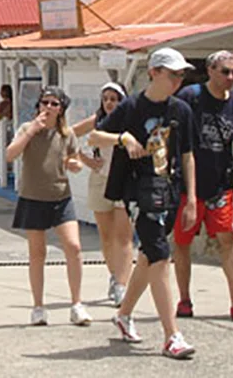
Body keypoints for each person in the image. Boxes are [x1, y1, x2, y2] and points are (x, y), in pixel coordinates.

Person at [89, 48, 199, 360]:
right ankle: (171, 335)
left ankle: (123, 315)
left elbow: (188, 155)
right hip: (138, 190)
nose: (178, 80)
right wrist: (123, 138)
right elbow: (96, 136)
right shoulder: (132, 107)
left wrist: (191, 197)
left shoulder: (182, 111)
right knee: (161, 257)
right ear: (154, 72)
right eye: (172, 74)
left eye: (181, 75)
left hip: (169, 188)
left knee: (150, 256)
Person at [171, 51, 233, 321]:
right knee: (182, 241)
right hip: (187, 185)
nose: (230, 77)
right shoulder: (190, 97)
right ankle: (184, 299)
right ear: (210, 70)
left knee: (228, 239)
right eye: (225, 72)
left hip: (221, 183)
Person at [5, 86, 91, 327]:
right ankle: (38, 307)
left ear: (61, 109)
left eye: (54, 104)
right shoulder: (27, 129)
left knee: (73, 247)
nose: (49, 107)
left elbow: (73, 158)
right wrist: (31, 130)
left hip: (61, 197)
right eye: (45, 102)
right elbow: (10, 155)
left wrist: (75, 165)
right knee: (37, 253)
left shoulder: (66, 134)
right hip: (33, 197)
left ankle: (76, 304)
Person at [70, 82, 134, 307]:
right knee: (106, 237)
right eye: (106, 98)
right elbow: (69, 135)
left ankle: (122, 285)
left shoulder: (130, 122)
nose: (109, 103)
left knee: (124, 237)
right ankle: (115, 275)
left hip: (125, 182)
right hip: (100, 180)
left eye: (114, 99)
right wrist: (85, 159)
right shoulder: (97, 121)